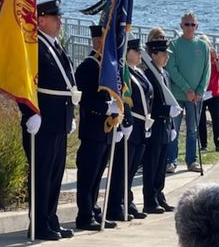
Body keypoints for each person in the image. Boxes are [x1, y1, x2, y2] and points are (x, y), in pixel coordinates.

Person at [20, 0, 79, 240]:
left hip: (58, 119)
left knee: (55, 174)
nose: (60, 22)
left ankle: (51, 219)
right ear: (41, 20)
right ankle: (39, 224)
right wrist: (29, 113)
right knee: (42, 174)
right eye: (55, 18)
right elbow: (23, 84)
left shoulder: (55, 47)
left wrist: (70, 114)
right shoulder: (35, 48)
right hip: (42, 121)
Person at [74, 24, 118, 231]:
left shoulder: (105, 67)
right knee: (88, 174)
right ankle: (84, 215)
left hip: (105, 131)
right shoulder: (87, 67)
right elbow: (85, 101)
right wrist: (105, 107)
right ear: (98, 42)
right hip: (92, 129)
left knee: (98, 173)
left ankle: (93, 209)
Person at [107, 38, 151, 221]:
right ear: (127, 53)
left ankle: (127, 200)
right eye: (136, 51)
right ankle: (116, 204)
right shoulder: (125, 74)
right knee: (122, 168)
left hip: (142, 126)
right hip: (130, 126)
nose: (140, 54)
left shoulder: (138, 72)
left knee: (132, 169)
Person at [166, 11, 210, 172]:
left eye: (192, 24)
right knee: (174, 130)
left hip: (196, 98)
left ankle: (192, 161)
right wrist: (187, 89)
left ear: (196, 26)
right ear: (181, 25)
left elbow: (207, 71)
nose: (189, 27)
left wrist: (199, 91)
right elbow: (172, 68)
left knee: (193, 130)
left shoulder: (203, 46)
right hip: (177, 95)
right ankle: (171, 161)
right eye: (186, 24)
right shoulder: (174, 45)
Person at [141, 38, 179, 214]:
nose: (166, 57)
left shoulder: (164, 74)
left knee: (162, 163)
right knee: (152, 163)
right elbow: (151, 105)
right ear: (153, 55)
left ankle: (159, 194)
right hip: (155, 125)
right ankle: (150, 199)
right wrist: (166, 111)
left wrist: (171, 125)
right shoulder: (149, 75)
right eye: (163, 54)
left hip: (164, 126)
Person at [197, 34, 219, 153]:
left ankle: (218, 144)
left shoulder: (217, 57)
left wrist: (215, 59)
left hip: (214, 93)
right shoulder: (197, 58)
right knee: (201, 120)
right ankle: (203, 144)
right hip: (201, 93)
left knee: (216, 119)